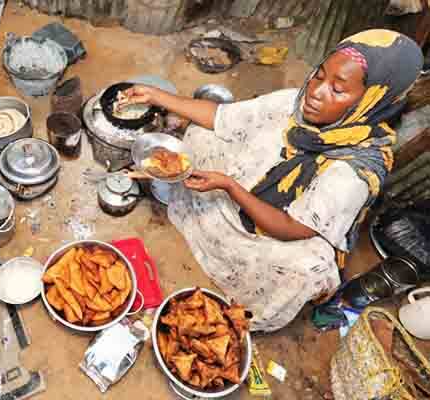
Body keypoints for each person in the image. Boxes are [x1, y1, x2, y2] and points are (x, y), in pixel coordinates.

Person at [120, 29, 422, 331]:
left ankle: (243, 308)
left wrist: (230, 187)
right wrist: (156, 95)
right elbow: (222, 117)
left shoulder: (356, 170)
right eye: (320, 75)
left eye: (338, 90)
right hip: (241, 190)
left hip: (277, 234)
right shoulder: (297, 102)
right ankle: (201, 218)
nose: (317, 92)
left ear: (373, 101)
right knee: (201, 135)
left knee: (307, 270)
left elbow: (293, 228)